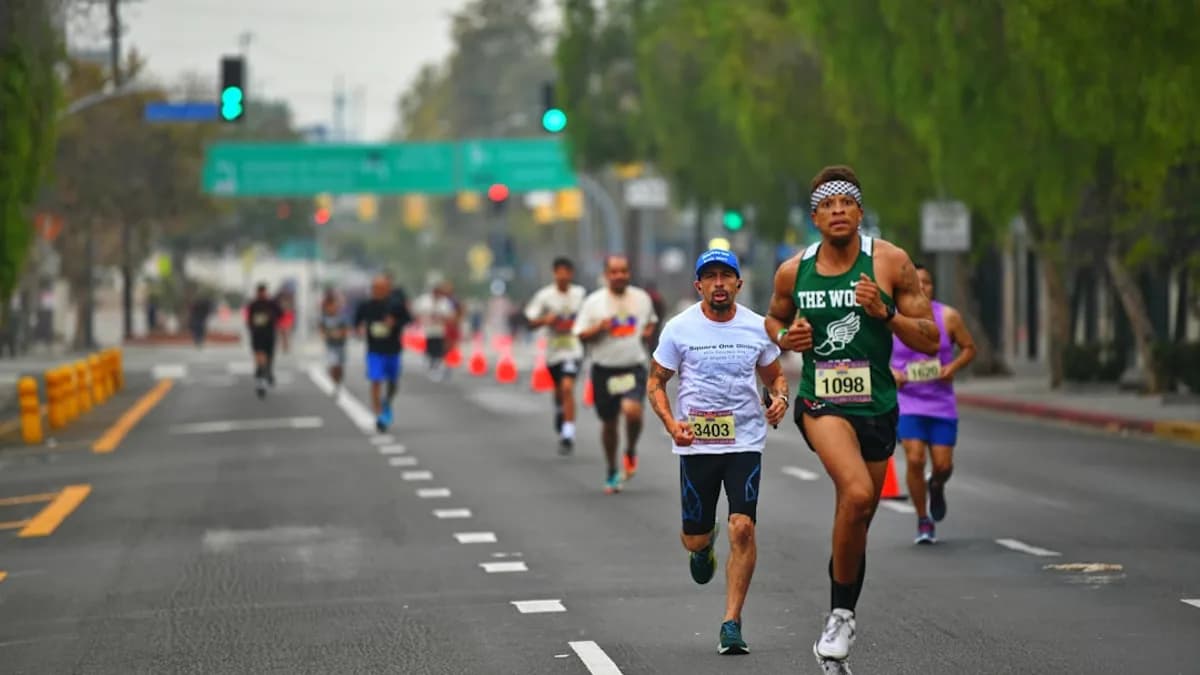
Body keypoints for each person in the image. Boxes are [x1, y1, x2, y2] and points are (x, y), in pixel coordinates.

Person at [763, 165, 939, 671]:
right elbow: (775, 316)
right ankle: (839, 618)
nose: (838, 211)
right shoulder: (794, 270)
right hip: (823, 401)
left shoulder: (890, 262)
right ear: (815, 216)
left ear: (860, 212)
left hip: (878, 406)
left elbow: (928, 337)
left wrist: (885, 311)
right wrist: (784, 337)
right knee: (859, 493)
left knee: (858, 517)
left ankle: (840, 614)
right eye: (827, 204)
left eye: (847, 203)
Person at [648, 249, 788, 656]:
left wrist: (780, 398)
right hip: (697, 444)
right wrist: (672, 424)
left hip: (744, 441)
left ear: (739, 284)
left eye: (727, 276)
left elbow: (775, 376)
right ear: (699, 286)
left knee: (743, 527)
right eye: (710, 277)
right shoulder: (679, 329)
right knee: (693, 539)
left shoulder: (757, 327)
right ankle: (704, 545)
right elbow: (656, 383)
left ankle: (731, 622)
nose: (719, 284)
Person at [890, 263, 976, 544]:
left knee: (943, 465)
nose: (921, 287)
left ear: (932, 286)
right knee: (915, 458)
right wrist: (892, 373)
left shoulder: (948, 316)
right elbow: (874, 353)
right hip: (908, 400)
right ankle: (923, 519)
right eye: (916, 282)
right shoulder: (893, 319)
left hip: (941, 401)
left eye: (926, 282)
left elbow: (969, 348)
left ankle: (936, 484)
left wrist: (953, 367)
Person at [573, 255, 658, 494]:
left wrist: (647, 333)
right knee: (609, 424)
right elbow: (580, 334)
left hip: (633, 366)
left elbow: (650, 322)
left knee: (632, 411)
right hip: (604, 369)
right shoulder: (593, 303)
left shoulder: (641, 299)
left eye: (624, 271)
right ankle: (612, 469)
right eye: (614, 272)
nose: (619, 275)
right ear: (606, 275)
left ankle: (630, 449)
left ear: (629, 273)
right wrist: (599, 328)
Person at [524, 256, 587, 454]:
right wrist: (545, 320)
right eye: (559, 272)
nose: (563, 276)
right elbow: (530, 321)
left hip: (573, 349)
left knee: (568, 387)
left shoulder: (580, 294)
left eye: (566, 272)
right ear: (554, 274)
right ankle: (560, 410)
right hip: (553, 352)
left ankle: (568, 433)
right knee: (560, 389)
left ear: (571, 274)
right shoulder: (545, 296)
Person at [355, 274, 411, 432]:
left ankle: (387, 401)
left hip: (393, 349)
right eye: (375, 288)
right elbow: (357, 321)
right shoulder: (366, 305)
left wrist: (395, 323)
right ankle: (379, 414)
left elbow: (408, 320)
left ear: (387, 289)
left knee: (393, 382)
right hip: (375, 350)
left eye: (381, 288)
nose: (377, 291)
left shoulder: (396, 305)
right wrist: (359, 329)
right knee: (376, 380)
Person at [413, 283, 459, 381]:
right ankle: (431, 364)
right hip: (427, 330)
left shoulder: (445, 302)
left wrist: (442, 318)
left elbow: (451, 316)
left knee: (439, 349)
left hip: (440, 330)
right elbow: (417, 312)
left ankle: (438, 366)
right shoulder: (424, 300)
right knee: (429, 349)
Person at [245, 283, 283, 398]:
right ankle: (260, 383)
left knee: (269, 359)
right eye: (260, 292)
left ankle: (268, 373)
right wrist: (252, 328)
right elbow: (249, 320)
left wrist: (272, 318)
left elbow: (280, 314)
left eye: (263, 292)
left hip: (269, 335)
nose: (262, 294)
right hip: (257, 336)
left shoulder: (272, 304)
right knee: (260, 360)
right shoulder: (253, 305)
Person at [319, 288, 350, 395]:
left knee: (339, 366)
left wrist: (339, 334)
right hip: (330, 346)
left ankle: (339, 381)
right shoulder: (324, 318)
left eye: (332, 306)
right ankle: (334, 384)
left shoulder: (341, 317)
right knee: (333, 365)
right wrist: (325, 335)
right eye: (328, 306)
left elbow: (346, 331)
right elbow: (322, 330)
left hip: (340, 345)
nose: (331, 308)